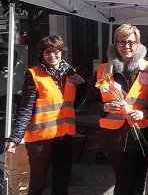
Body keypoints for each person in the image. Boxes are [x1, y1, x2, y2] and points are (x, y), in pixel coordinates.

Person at [4, 34, 86, 195]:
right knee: (38, 181)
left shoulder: (70, 73)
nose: (52, 55)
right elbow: (26, 108)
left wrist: (83, 85)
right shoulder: (34, 74)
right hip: (40, 138)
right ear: (41, 54)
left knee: (62, 180)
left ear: (62, 52)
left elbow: (75, 103)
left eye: (56, 51)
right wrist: (15, 137)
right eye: (47, 52)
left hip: (64, 136)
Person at [87, 24, 148, 195]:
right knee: (123, 182)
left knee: (139, 180)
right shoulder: (104, 70)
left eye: (131, 42)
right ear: (115, 44)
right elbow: (91, 102)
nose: (126, 46)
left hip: (142, 134)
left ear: (138, 44)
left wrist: (145, 112)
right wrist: (104, 107)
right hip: (115, 136)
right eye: (122, 42)